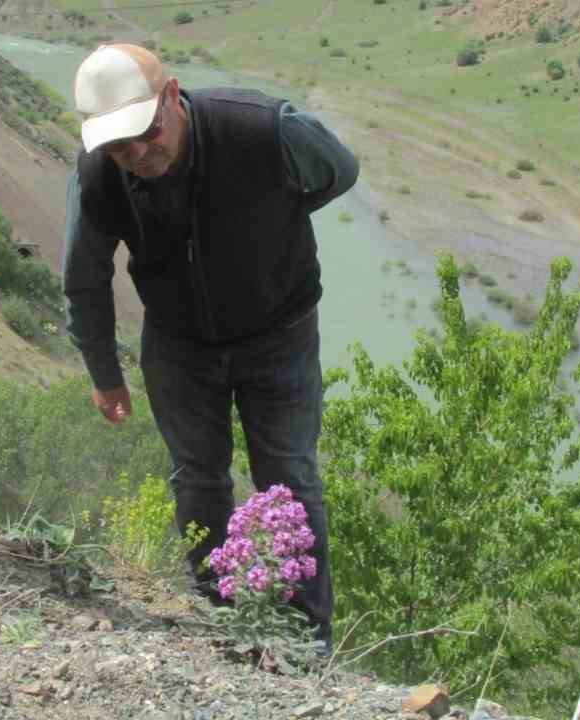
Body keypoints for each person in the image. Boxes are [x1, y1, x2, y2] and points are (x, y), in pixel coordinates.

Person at [61, 43, 359, 647]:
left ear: (171, 95)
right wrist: (103, 371)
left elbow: (340, 171)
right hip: (178, 342)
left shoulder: (262, 129)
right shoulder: (98, 172)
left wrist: (272, 218)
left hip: (280, 333)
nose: (138, 154)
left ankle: (307, 640)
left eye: (147, 131)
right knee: (197, 478)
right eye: (120, 146)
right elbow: (84, 275)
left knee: (290, 481)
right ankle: (217, 619)